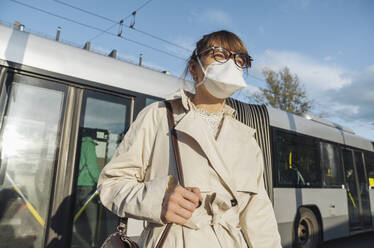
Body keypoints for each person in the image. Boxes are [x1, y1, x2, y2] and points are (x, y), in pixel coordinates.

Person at [98, 30, 282, 248]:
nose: (231, 65)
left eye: (239, 60)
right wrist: (159, 200)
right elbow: (111, 184)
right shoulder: (158, 116)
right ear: (195, 69)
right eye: (220, 55)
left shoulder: (246, 139)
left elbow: (259, 216)